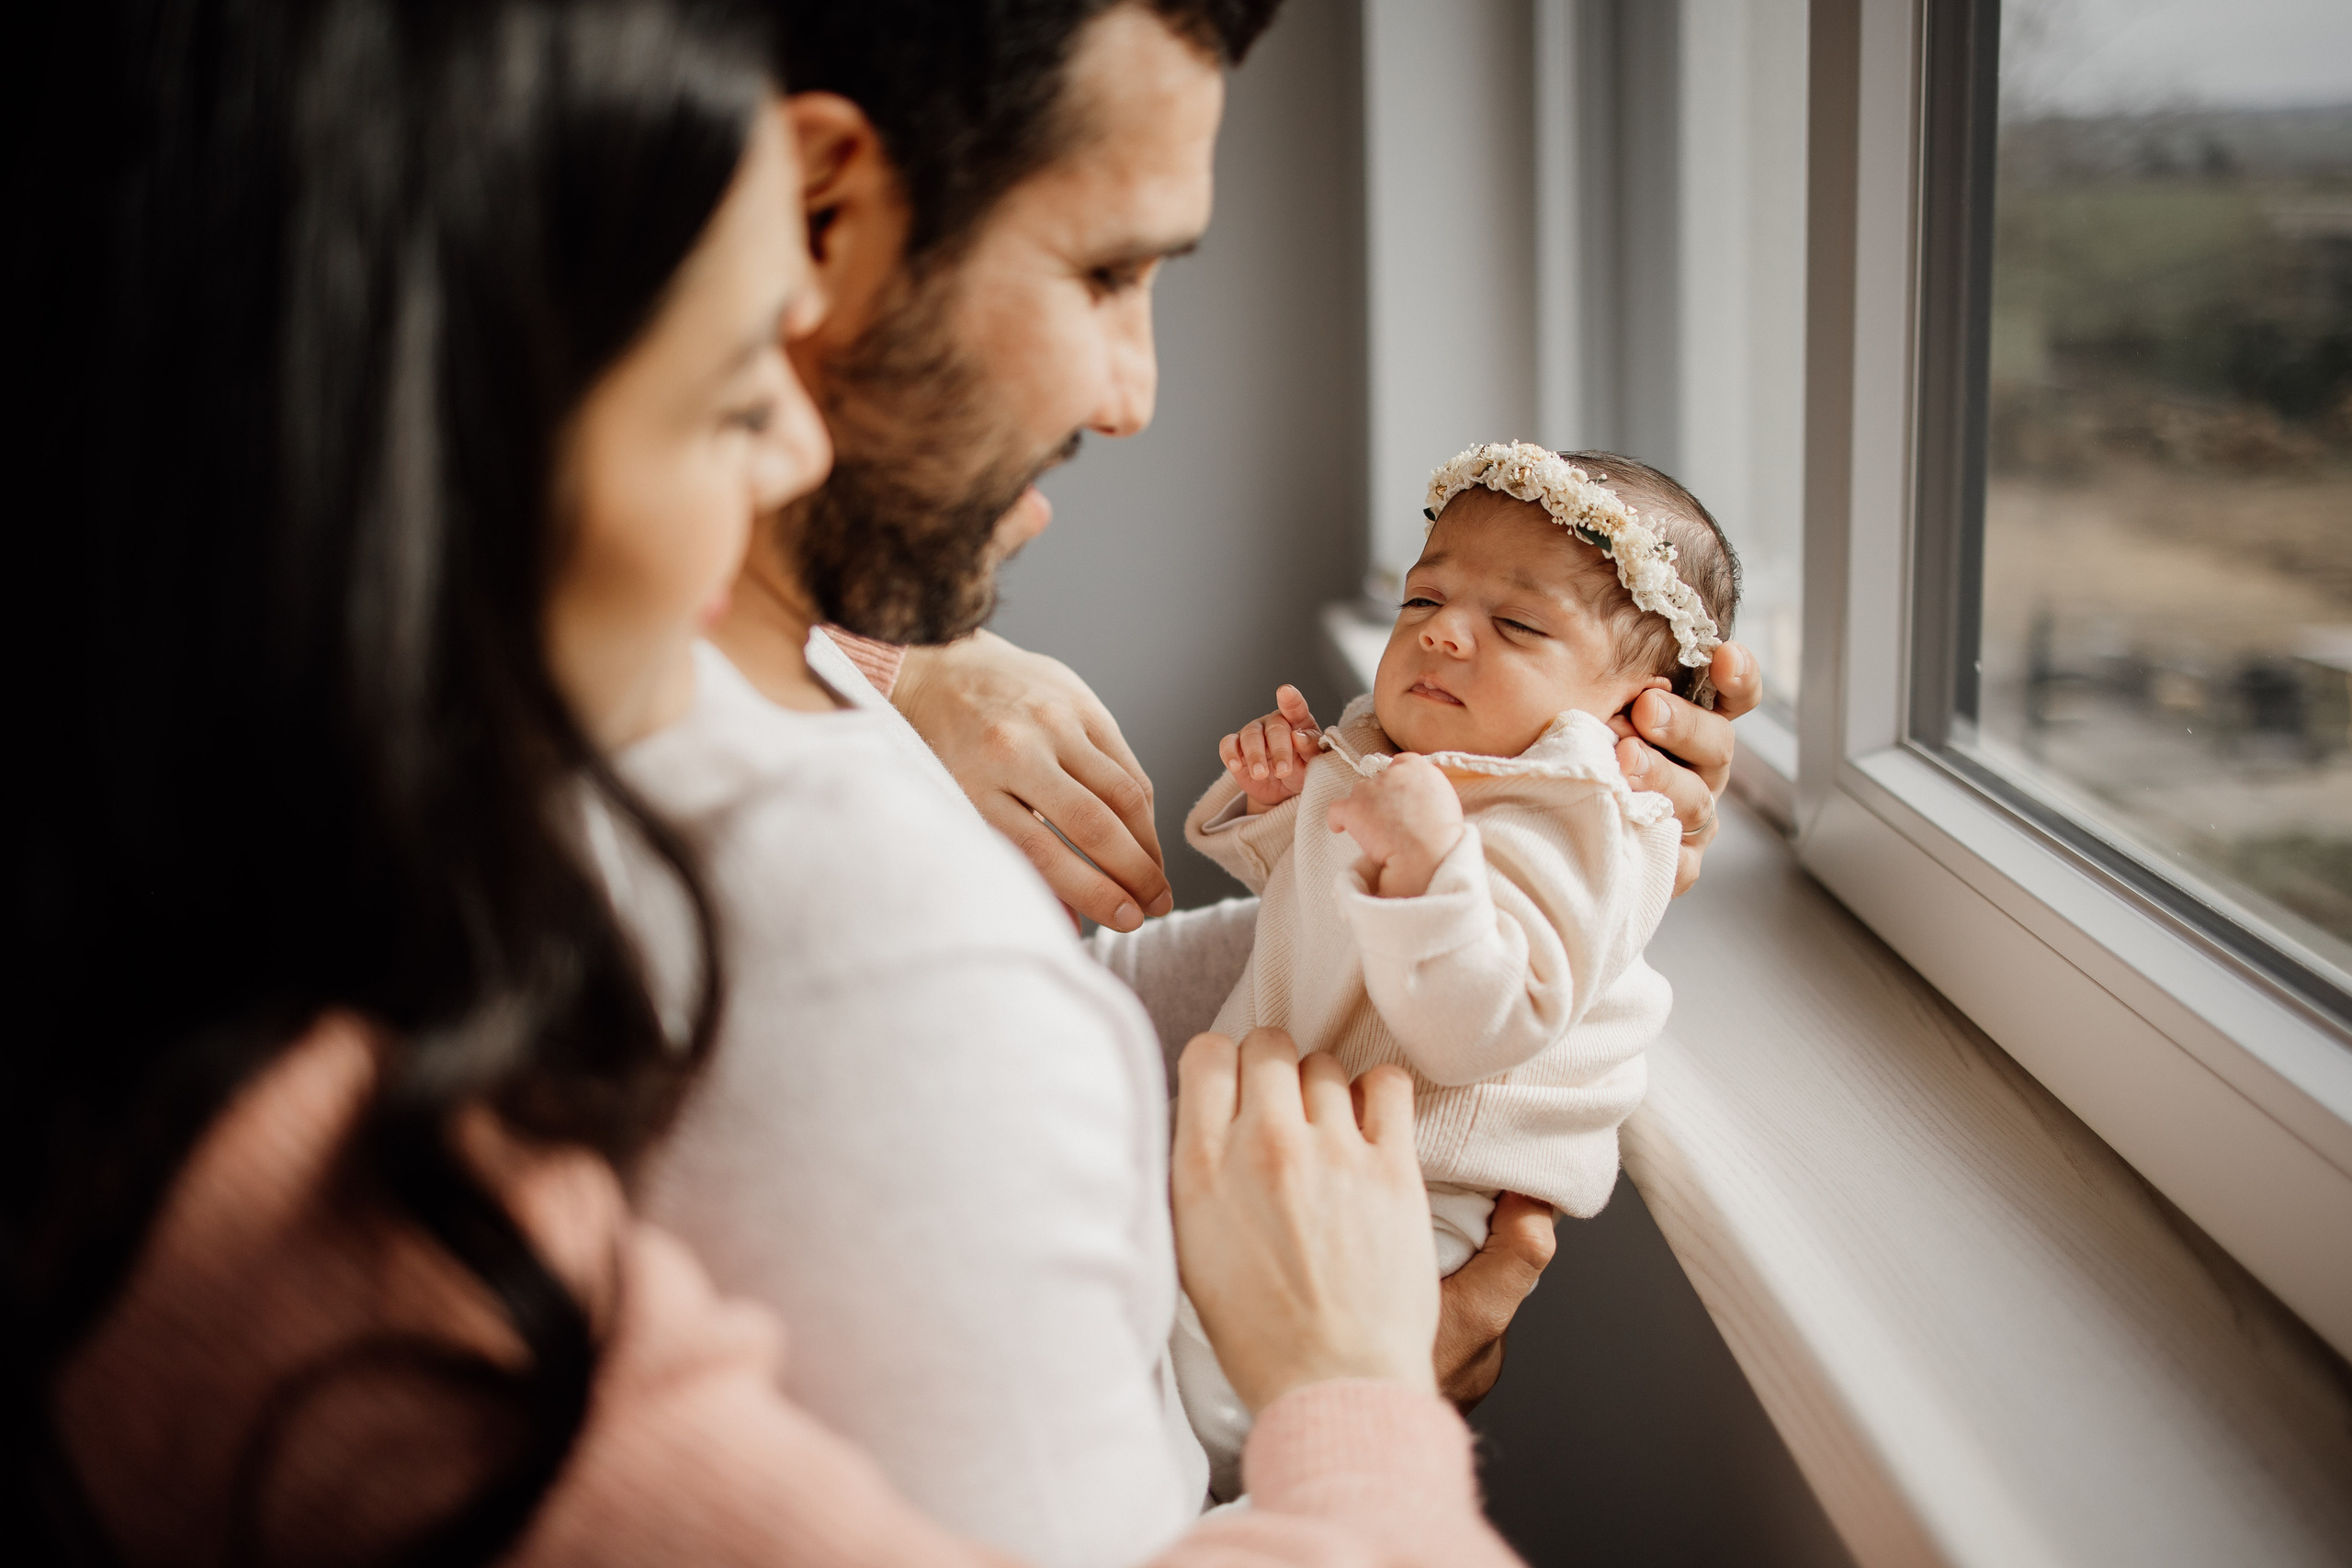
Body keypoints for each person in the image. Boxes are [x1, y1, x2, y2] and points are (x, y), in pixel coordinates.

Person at [3, 2, 1522, 1563]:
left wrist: (1509, 807)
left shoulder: (183, 981)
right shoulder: (333, 1243)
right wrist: (1355, 1409)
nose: (790, 443)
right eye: (732, 386)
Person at [1168, 444, 1741, 1491]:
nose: (1440, 628)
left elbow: (1479, 1023)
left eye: (1516, 623)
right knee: (1155, 1326)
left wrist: (1430, 863)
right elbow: (1304, 904)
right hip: (1285, 1144)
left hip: (1410, 1195)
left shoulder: (1580, 813)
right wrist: (1274, 800)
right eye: (1423, 594)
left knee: (1213, 1401)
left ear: (1636, 709)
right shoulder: (1397, 747)